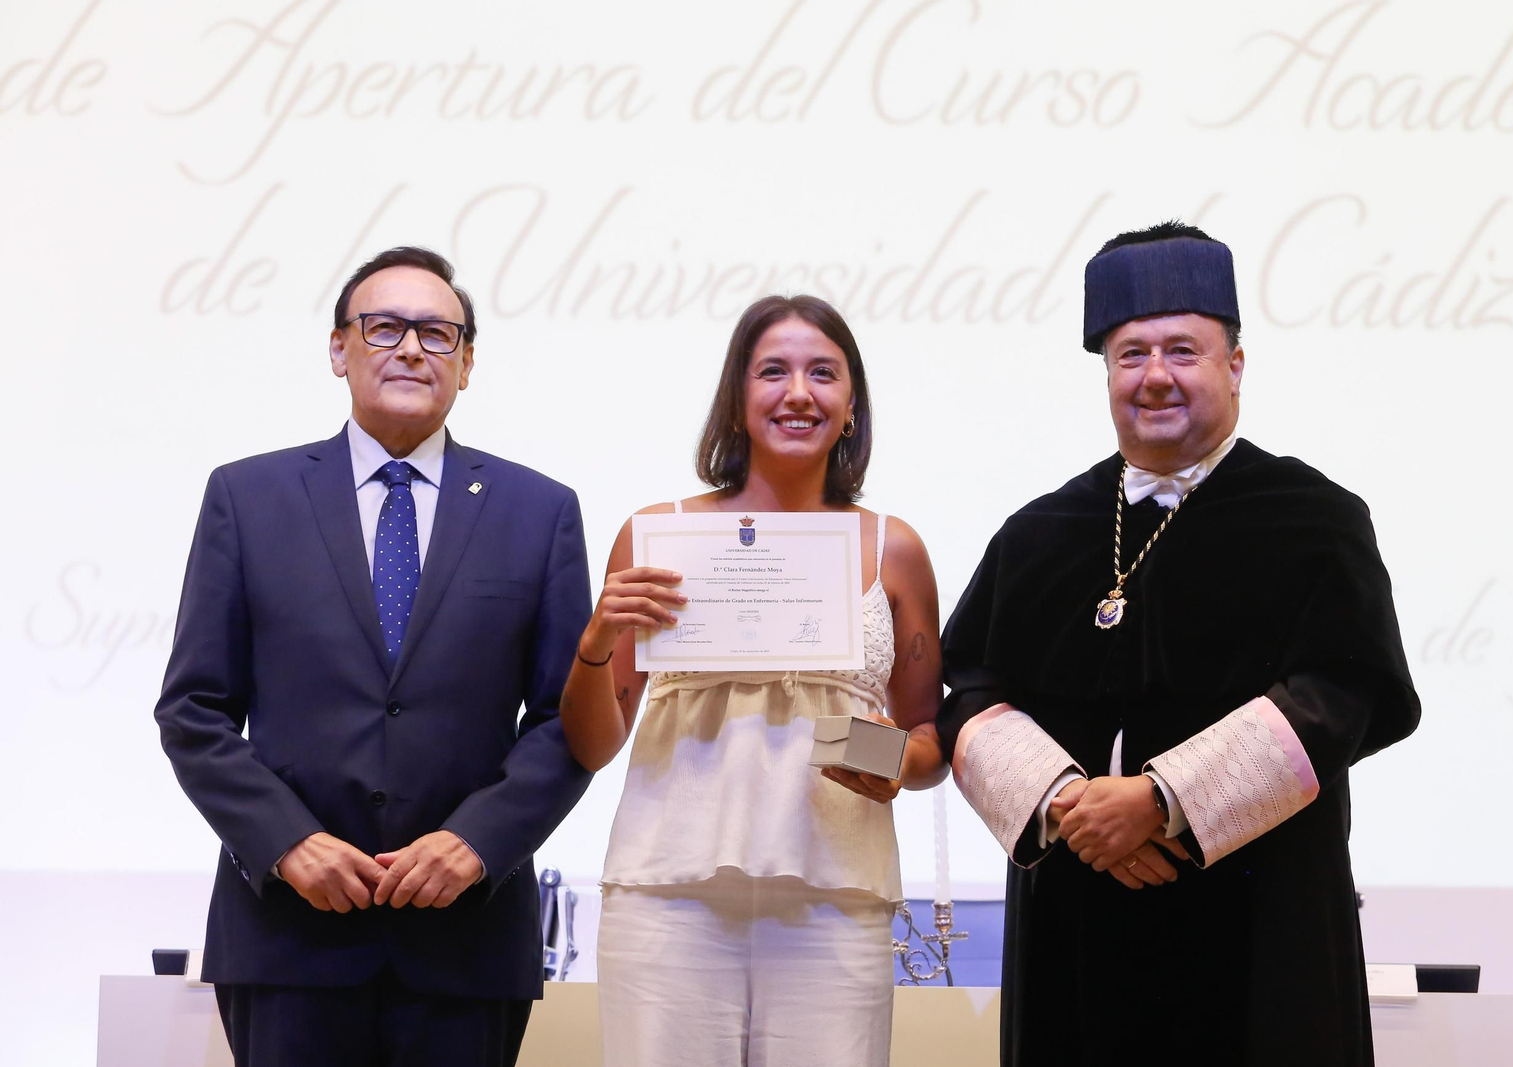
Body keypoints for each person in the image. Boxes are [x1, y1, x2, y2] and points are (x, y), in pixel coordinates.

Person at [939, 222, 1421, 1066]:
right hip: (1078, 924)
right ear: (1106, 372)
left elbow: (1342, 692)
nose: (1155, 375)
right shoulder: (1040, 532)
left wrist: (1160, 801)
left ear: (1236, 364)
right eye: (1131, 354)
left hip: (1260, 924)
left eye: (1182, 350)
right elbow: (972, 687)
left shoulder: (1315, 522)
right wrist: (1067, 803)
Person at [154, 246, 593, 1067]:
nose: (411, 348)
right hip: (288, 937)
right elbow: (193, 710)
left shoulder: (539, 511)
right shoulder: (247, 497)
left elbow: (566, 720)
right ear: (339, 349)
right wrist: (287, 842)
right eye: (384, 327)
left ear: (466, 363)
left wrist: (477, 843)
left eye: (437, 333)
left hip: (465, 942)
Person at [558, 294, 946, 1067]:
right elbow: (594, 744)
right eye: (773, 371)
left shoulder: (893, 549)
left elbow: (931, 737)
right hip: (668, 896)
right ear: (737, 399)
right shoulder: (657, 532)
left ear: (852, 406)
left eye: (823, 373)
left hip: (836, 899)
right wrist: (596, 642)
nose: (798, 392)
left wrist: (895, 759)